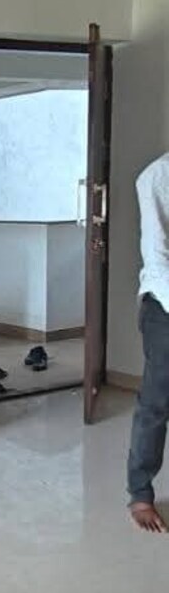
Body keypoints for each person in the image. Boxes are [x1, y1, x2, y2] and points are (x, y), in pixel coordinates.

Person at [128, 152, 169, 531]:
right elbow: (157, 256)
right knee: (156, 404)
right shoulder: (157, 177)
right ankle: (140, 494)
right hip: (165, 306)